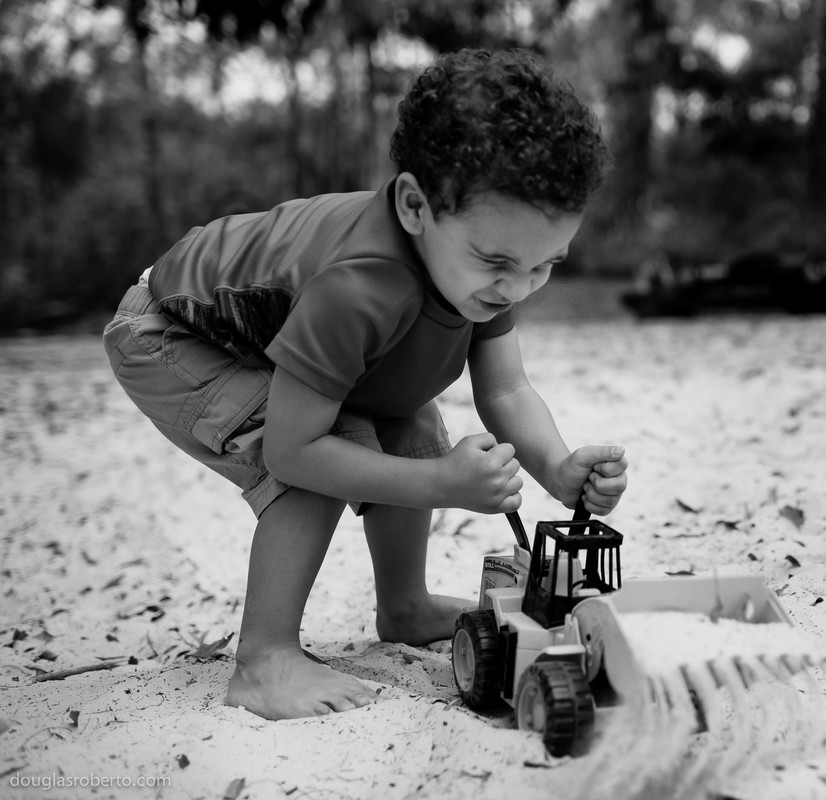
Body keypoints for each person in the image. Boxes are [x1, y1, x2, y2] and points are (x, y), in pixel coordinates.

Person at [102, 48, 628, 721]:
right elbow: (295, 451)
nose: (520, 286)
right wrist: (444, 485)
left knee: (411, 424)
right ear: (415, 205)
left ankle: (403, 606)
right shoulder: (361, 284)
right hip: (169, 331)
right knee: (321, 457)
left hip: (263, 335)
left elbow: (508, 393)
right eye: (499, 263)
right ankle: (263, 660)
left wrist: (558, 467)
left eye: (545, 265)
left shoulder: (492, 263)